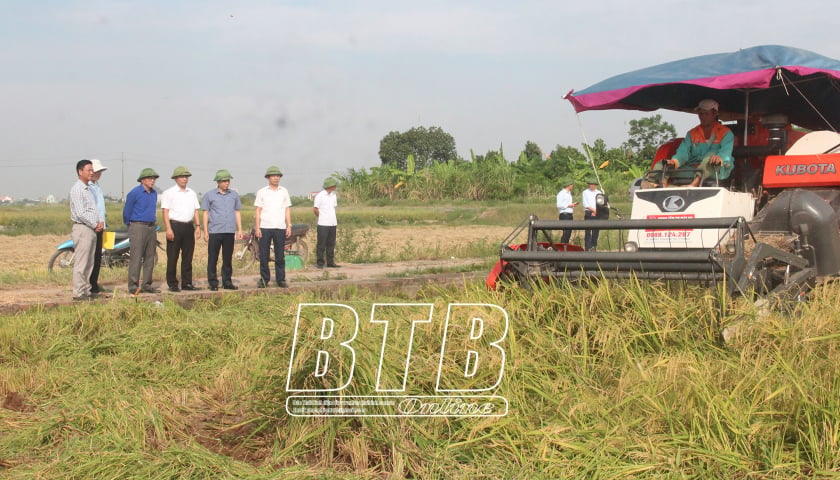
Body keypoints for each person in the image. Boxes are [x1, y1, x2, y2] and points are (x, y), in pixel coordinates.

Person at [653, 99, 735, 187]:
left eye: (706, 114)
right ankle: (654, 184)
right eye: (700, 114)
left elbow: (725, 154)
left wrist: (718, 158)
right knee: (663, 164)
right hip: (692, 168)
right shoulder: (692, 133)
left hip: (717, 169)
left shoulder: (726, 133)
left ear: (714, 114)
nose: (703, 117)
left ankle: (693, 185)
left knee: (711, 156)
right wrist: (674, 162)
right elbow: (683, 152)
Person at [161, 166, 201, 292]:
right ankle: (172, 283)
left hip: (189, 226)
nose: (185, 179)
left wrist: (198, 226)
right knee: (173, 256)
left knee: (188, 257)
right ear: (176, 178)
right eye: (182, 177)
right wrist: (168, 228)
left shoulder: (192, 193)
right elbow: (165, 212)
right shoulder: (169, 193)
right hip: (175, 225)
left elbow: (195, 211)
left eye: (186, 177)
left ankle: (187, 282)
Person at [201, 169, 243, 291]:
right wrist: (206, 231)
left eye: (228, 181)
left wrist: (239, 230)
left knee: (227, 258)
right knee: (213, 257)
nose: (227, 183)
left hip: (229, 231)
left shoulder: (234, 195)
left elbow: (237, 212)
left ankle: (227, 281)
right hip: (215, 231)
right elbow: (205, 213)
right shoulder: (210, 195)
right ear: (218, 182)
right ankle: (213, 282)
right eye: (224, 181)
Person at [69, 159, 104, 301]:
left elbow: (92, 209)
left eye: (92, 170)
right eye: (89, 170)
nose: (92, 173)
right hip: (84, 228)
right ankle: (78, 293)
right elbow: (81, 213)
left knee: (90, 262)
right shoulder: (77, 189)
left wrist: (99, 222)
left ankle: (86, 291)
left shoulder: (88, 188)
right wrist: (95, 223)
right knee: (82, 262)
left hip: (91, 228)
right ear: (80, 172)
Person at [123, 168, 161, 294]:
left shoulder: (154, 193)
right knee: (136, 256)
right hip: (138, 225)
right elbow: (127, 213)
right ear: (143, 180)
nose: (152, 181)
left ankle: (147, 284)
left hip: (151, 226)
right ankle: (133, 285)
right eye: (150, 178)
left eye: (154, 178)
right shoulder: (134, 193)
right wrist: (131, 226)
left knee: (150, 256)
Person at [254, 166, 292, 288]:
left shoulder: (284, 191)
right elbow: (258, 210)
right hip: (265, 227)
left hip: (280, 227)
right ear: (268, 178)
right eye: (273, 176)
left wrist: (289, 226)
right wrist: (257, 227)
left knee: (280, 255)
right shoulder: (262, 192)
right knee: (264, 255)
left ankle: (281, 279)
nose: (276, 178)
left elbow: (287, 210)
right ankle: (264, 279)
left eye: (278, 176)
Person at [88, 159, 108, 294]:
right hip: (92, 226)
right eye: (97, 171)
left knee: (97, 257)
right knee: (89, 257)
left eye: (100, 171)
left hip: (101, 226)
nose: (99, 174)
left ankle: (94, 284)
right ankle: (88, 285)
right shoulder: (87, 187)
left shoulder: (97, 186)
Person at [313, 178, 339, 269]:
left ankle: (330, 262)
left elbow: (333, 208)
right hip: (323, 223)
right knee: (321, 244)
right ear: (330, 186)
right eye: (334, 185)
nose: (335, 187)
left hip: (332, 223)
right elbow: (315, 209)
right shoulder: (320, 196)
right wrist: (322, 217)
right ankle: (320, 262)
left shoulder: (333, 195)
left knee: (331, 243)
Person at [582, 179, 602, 251]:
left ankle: (594, 246)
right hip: (589, 213)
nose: (591, 185)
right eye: (590, 184)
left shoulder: (599, 192)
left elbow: (601, 203)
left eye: (593, 184)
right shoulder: (585, 192)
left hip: (597, 213)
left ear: (595, 185)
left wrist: (597, 211)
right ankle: (588, 247)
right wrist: (593, 210)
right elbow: (585, 204)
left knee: (596, 231)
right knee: (588, 231)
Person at [555, 179, 577, 244]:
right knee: (566, 232)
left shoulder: (569, 193)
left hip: (569, 214)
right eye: (571, 185)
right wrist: (569, 205)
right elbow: (559, 205)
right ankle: (562, 245)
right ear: (568, 185)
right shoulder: (561, 193)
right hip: (564, 214)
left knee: (569, 232)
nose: (572, 186)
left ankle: (566, 246)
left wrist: (572, 205)